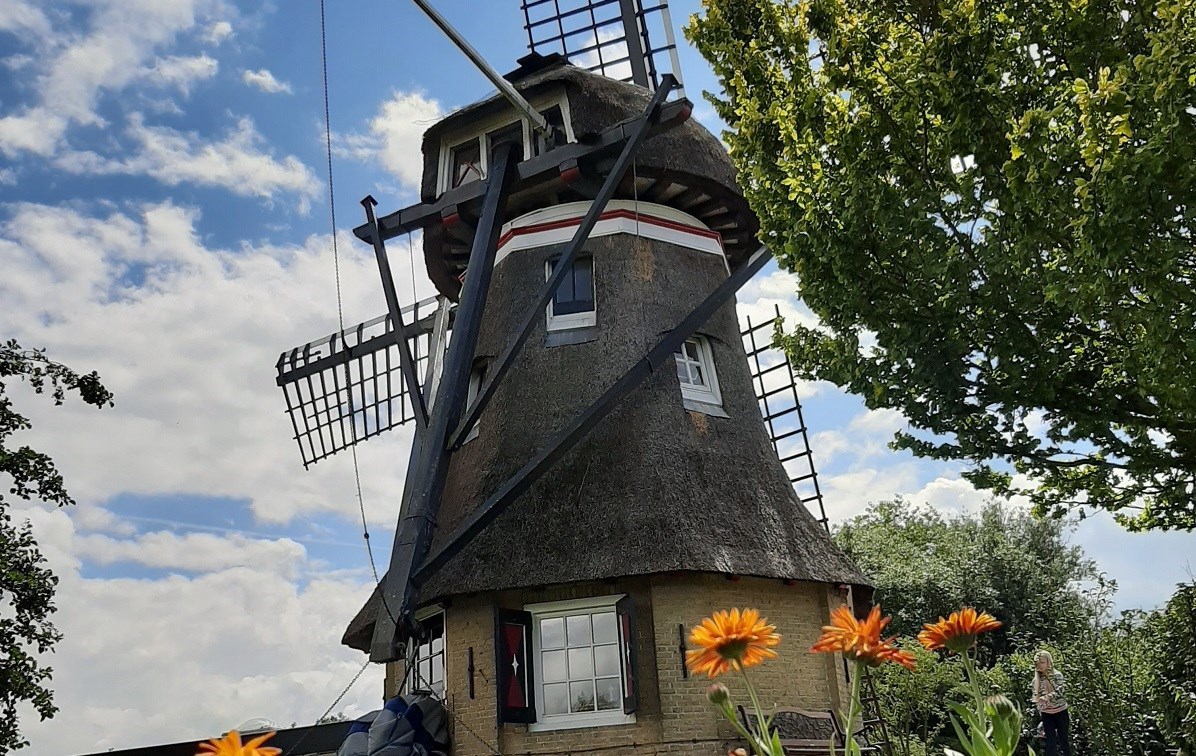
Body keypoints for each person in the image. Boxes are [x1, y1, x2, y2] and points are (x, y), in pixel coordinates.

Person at [1032, 650, 1071, 756]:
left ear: (1049, 662)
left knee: (1064, 741)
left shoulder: (1057, 675)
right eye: (1037, 663)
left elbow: (1061, 690)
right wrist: (1040, 704)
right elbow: (1036, 697)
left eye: (1042, 662)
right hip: (1047, 714)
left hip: (1061, 711)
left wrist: (1048, 697)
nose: (1039, 665)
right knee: (1050, 743)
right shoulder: (1036, 681)